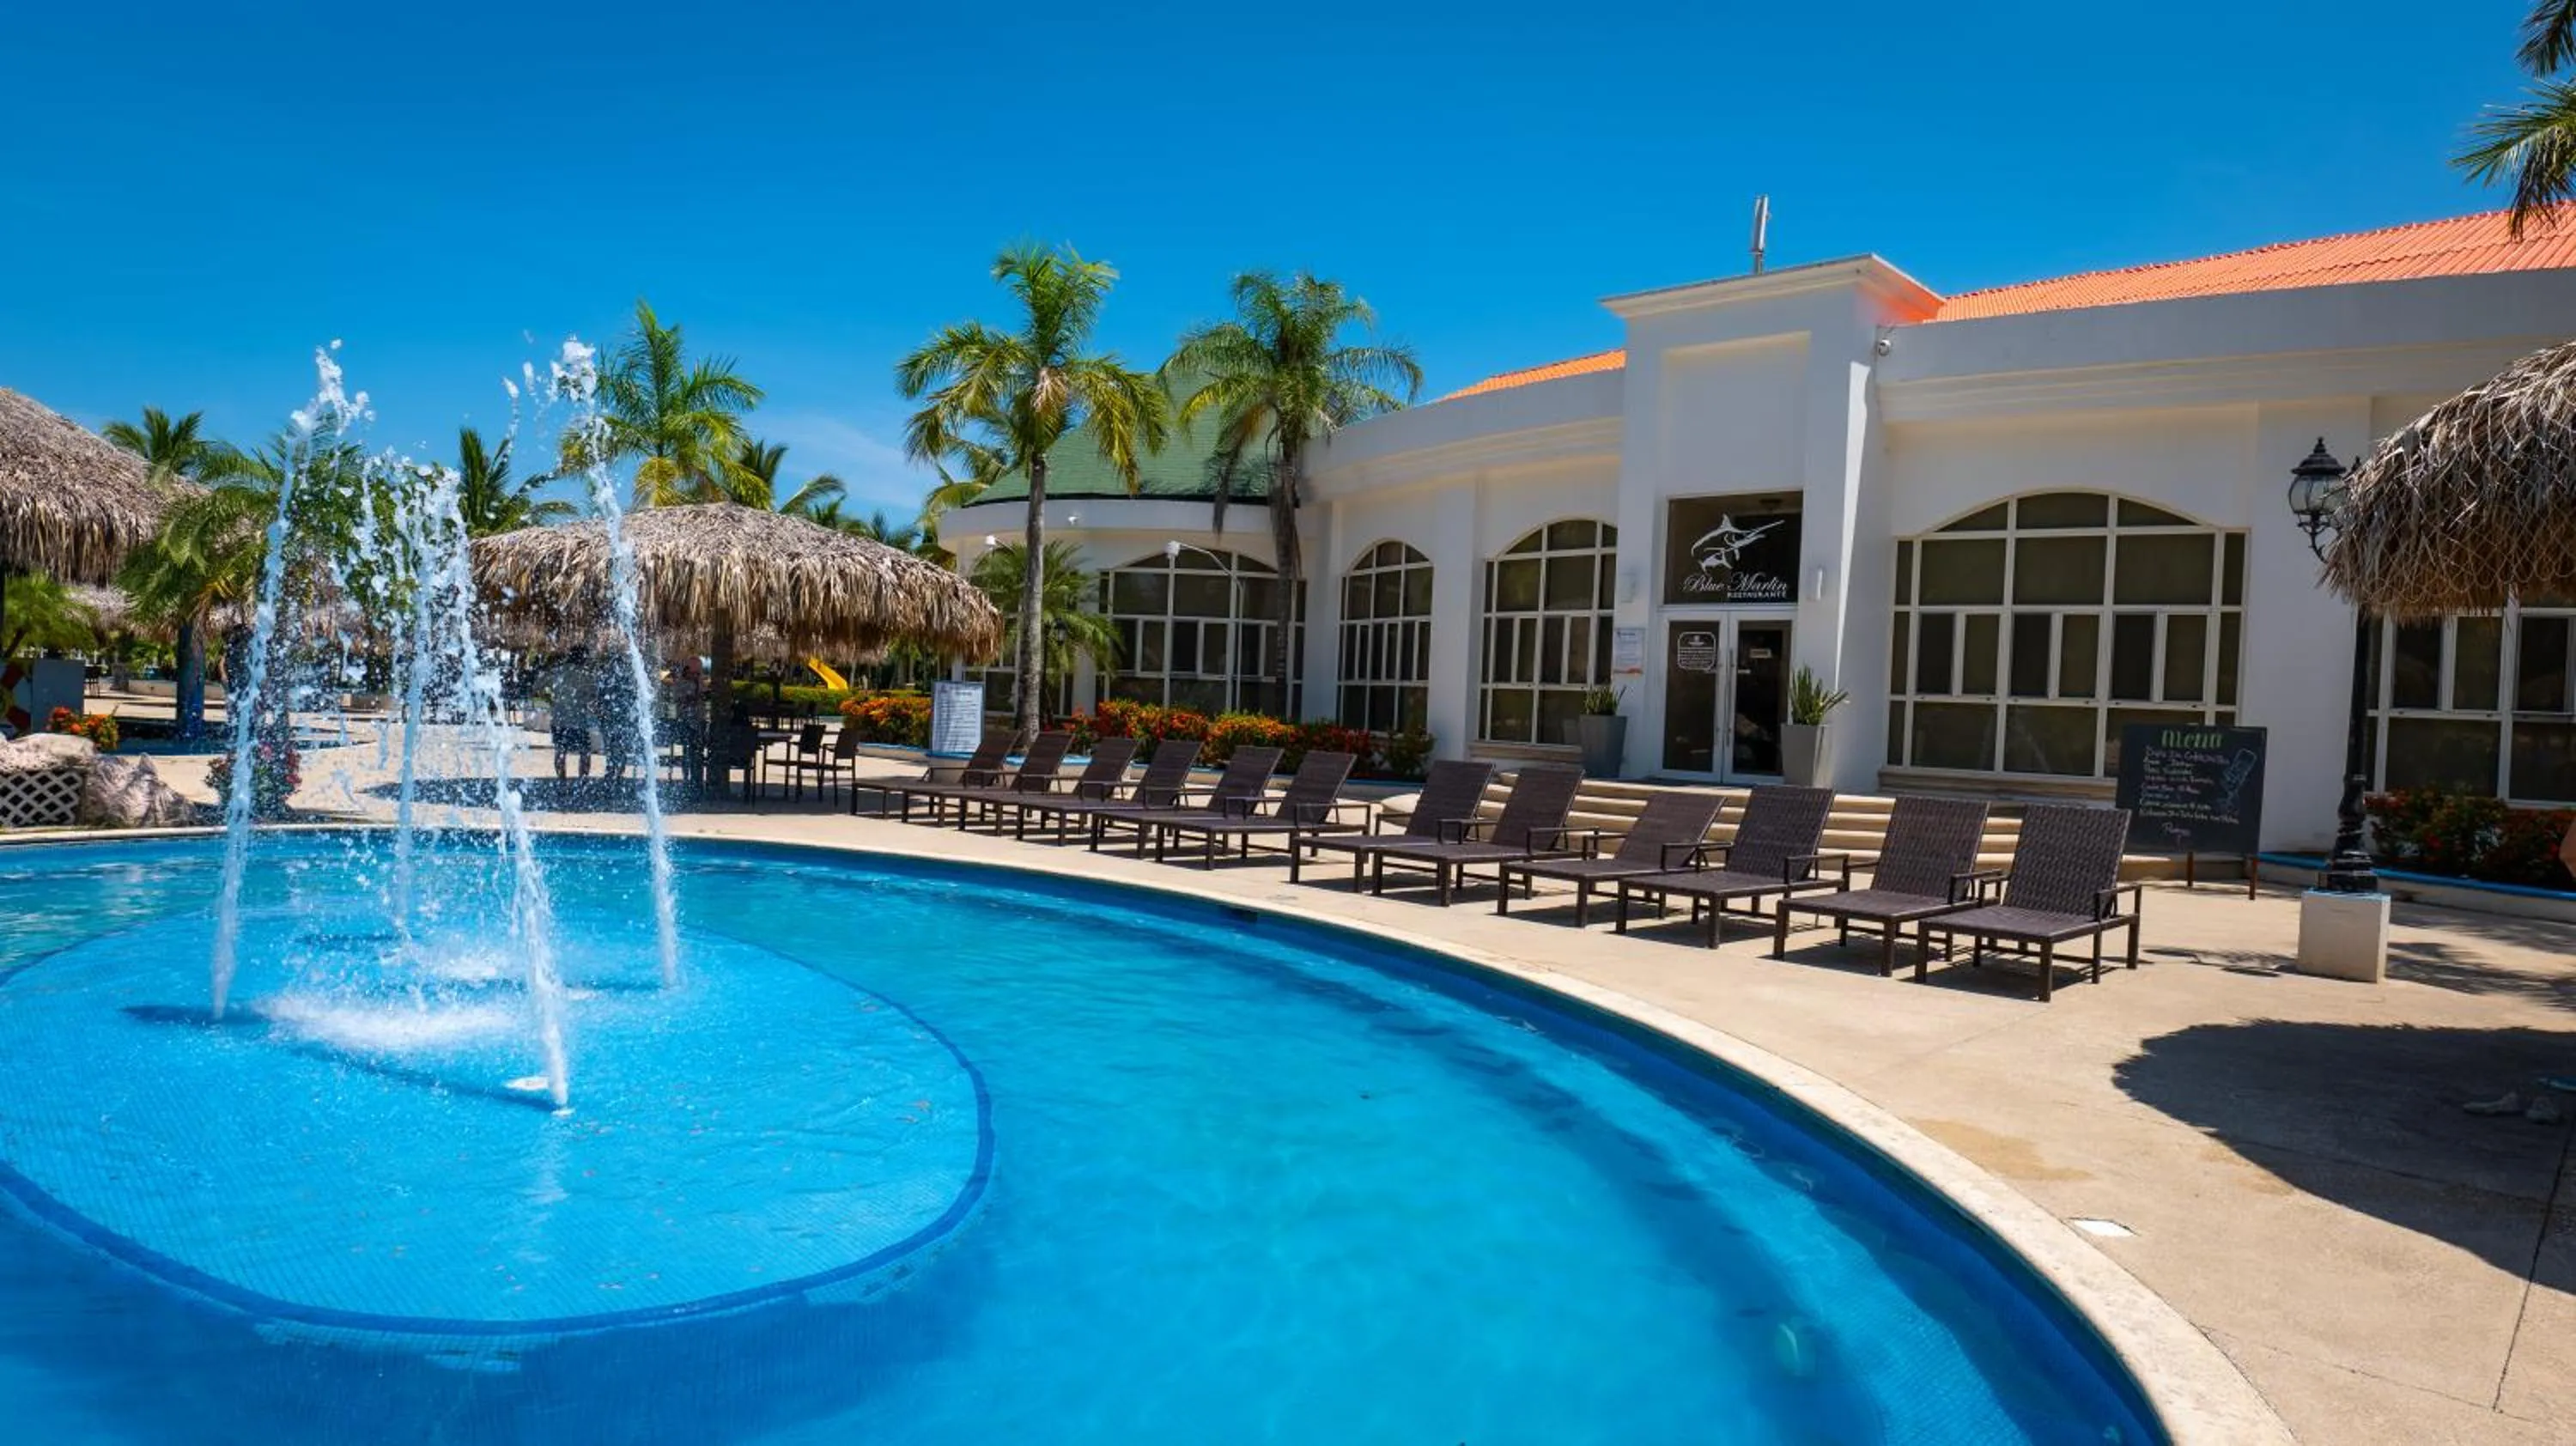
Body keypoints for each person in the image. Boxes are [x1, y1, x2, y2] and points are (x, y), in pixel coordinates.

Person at [548, 647, 597, 782]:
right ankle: (583, 781)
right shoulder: (585, 675)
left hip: (559, 718)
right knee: (585, 751)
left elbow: (543, 690)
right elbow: (592, 696)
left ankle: (561, 781)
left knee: (560, 751)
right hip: (578, 720)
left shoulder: (558, 672)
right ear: (583, 658)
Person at [665, 657, 708, 792]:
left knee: (698, 754)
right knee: (686, 754)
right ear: (686, 671)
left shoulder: (700, 682)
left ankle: (697, 782)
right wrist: (691, 697)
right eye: (693, 673)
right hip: (685, 721)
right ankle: (686, 780)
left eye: (697, 673)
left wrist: (699, 686)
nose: (695, 675)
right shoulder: (680, 683)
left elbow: (704, 695)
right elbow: (679, 699)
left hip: (699, 721)